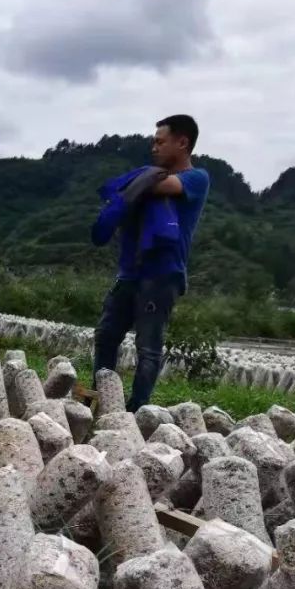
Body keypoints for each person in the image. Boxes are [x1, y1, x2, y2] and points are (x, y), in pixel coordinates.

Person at [91, 114, 210, 411]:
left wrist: (131, 186)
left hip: (162, 275)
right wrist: (137, 184)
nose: (154, 147)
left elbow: (158, 187)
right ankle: (101, 398)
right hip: (131, 271)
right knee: (106, 335)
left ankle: (137, 411)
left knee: (148, 347)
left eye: (160, 141)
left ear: (182, 143)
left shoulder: (196, 178)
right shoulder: (151, 175)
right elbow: (140, 187)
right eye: (153, 142)